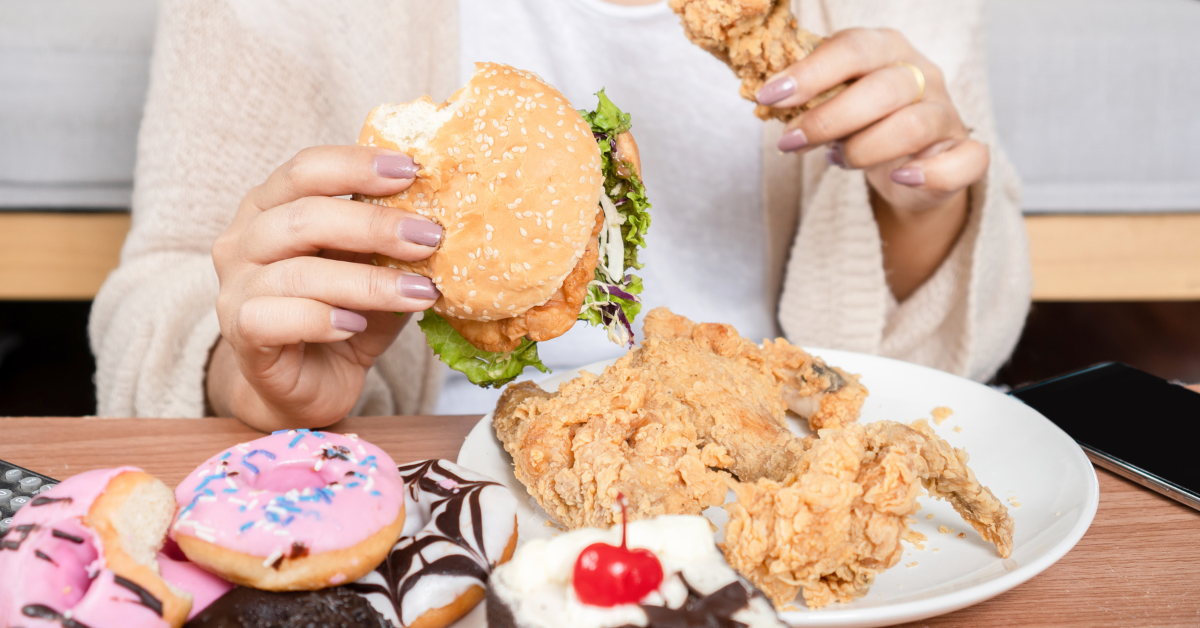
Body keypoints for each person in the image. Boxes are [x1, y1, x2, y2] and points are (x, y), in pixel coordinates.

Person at [90, 0, 1030, 428]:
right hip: (424, 470)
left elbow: (952, 358)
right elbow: (161, 294)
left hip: (771, 443)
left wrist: (912, 208)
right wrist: (249, 377)